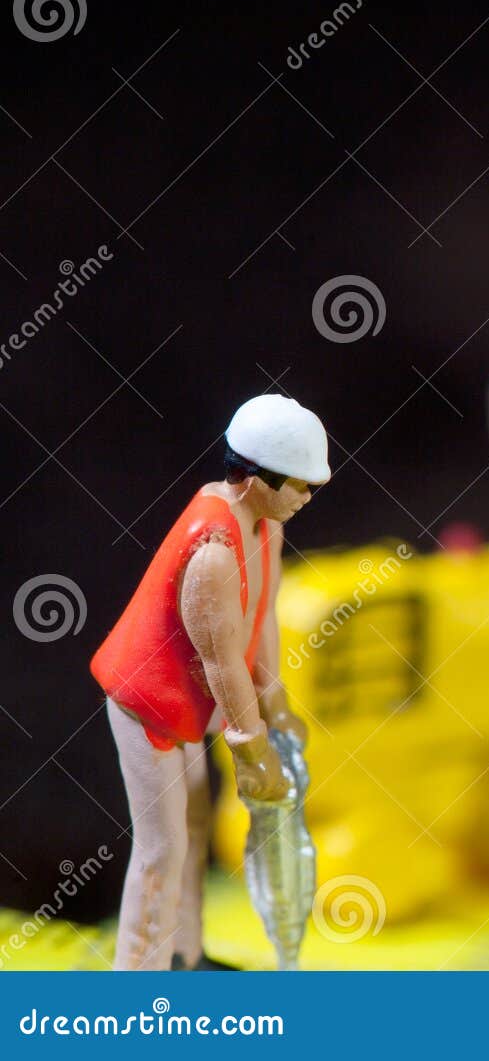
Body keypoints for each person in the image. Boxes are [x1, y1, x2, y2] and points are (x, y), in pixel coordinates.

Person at [90, 394, 327, 969]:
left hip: (187, 702)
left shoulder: (265, 528)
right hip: (149, 704)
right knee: (161, 849)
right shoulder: (215, 553)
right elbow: (221, 663)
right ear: (256, 479)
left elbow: (261, 619)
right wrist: (252, 751)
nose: (308, 498)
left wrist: (275, 701)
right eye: (299, 485)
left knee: (193, 823)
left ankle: (184, 955)